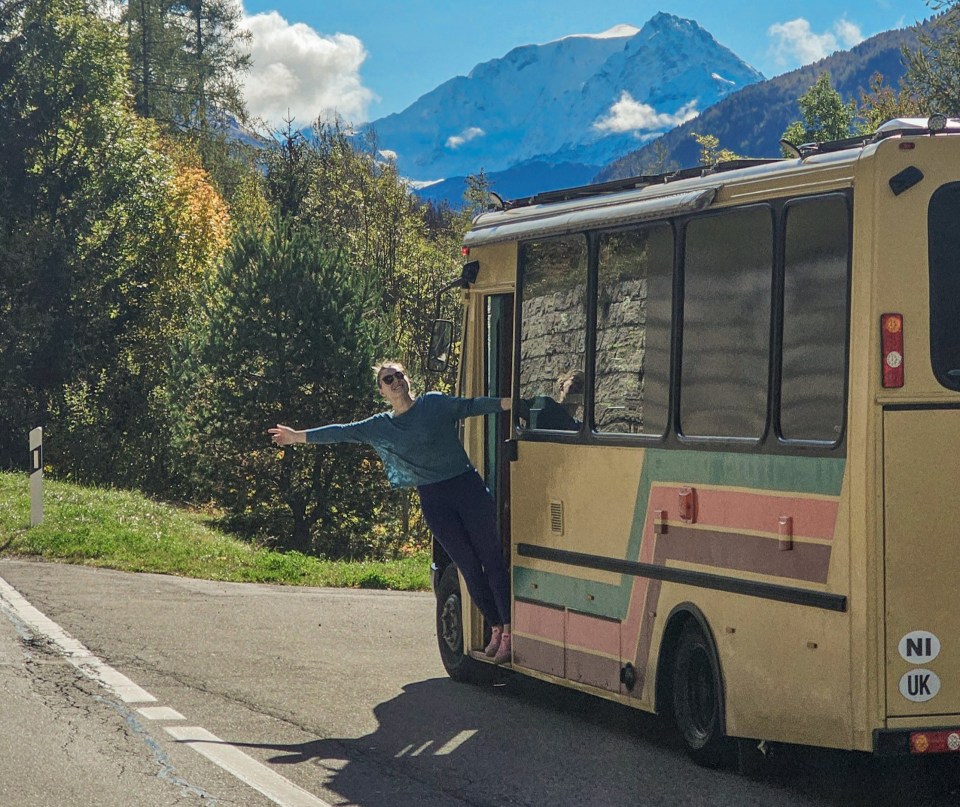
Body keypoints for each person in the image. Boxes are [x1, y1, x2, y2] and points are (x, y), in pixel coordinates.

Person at [268, 361, 514, 664]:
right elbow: (344, 432)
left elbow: (470, 406)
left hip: (467, 489)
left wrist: (509, 404)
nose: (396, 381)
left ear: (407, 380)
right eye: (388, 379)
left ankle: (509, 632)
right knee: (468, 567)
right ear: (382, 391)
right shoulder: (381, 425)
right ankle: (495, 627)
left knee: (491, 559)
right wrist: (297, 436)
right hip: (434, 499)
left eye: (399, 375)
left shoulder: (433, 404)